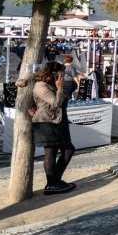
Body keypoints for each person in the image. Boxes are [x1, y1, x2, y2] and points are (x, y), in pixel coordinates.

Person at [32, 61, 78, 193]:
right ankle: (51, 183)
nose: (62, 76)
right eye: (60, 73)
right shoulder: (41, 86)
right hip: (47, 122)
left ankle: (56, 180)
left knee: (69, 149)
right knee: (50, 152)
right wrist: (59, 89)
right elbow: (56, 102)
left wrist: (60, 87)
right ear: (52, 73)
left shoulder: (51, 84)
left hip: (59, 121)